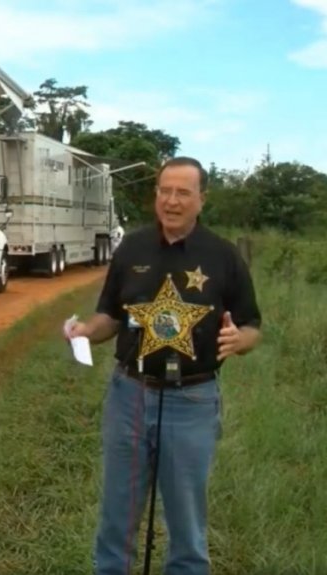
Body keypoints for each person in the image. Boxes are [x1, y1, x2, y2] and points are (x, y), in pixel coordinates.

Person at [66, 156, 262, 575]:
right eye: (164, 191)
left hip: (192, 400)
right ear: (156, 194)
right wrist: (85, 330)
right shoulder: (131, 248)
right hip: (129, 397)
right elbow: (110, 317)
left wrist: (238, 340)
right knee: (118, 512)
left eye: (183, 193)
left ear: (201, 200)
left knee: (186, 522)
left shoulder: (223, 256)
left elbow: (252, 326)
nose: (171, 201)